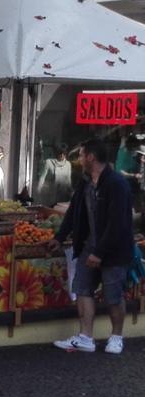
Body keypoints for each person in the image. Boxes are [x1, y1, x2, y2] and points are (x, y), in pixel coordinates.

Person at [51, 138, 135, 354]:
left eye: (81, 155)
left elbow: (118, 223)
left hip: (113, 250)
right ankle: (85, 337)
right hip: (90, 245)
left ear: (91, 157)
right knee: (82, 289)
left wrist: (100, 252)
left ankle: (116, 337)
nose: (78, 159)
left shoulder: (116, 184)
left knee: (113, 295)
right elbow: (73, 213)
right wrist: (59, 237)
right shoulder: (85, 181)